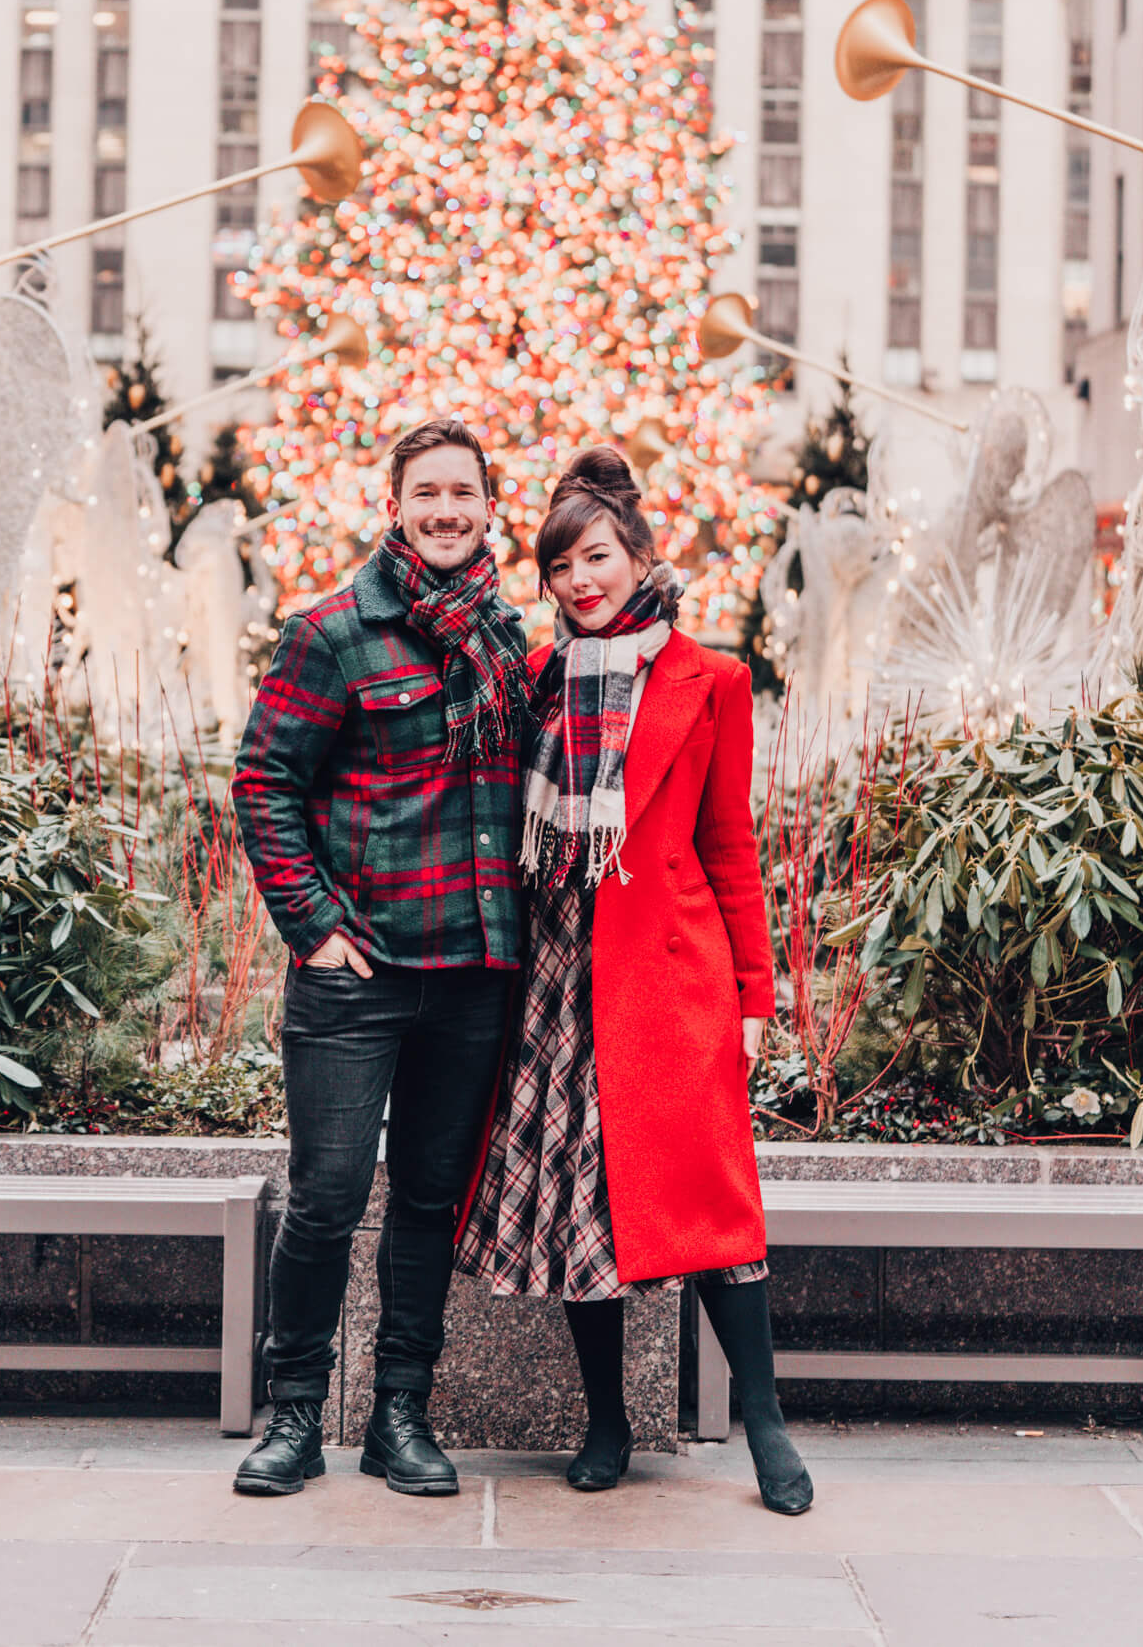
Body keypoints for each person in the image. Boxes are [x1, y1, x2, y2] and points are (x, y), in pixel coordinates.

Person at [457, 445, 813, 1515]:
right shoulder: (533, 679)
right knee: (578, 1211)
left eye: (596, 556)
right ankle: (605, 1418)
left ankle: (763, 1421)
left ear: (638, 554)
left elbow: (729, 849)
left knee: (709, 1204)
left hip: (665, 978)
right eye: (559, 564)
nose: (579, 581)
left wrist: (753, 997)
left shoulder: (711, 681)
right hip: (556, 981)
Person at [230, 418, 530, 1499]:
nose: (445, 510)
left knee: (427, 1200)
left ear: (488, 507)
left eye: (464, 493)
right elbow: (263, 781)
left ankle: (400, 1412)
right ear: (395, 505)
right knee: (324, 1198)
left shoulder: (507, 638)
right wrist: (312, 928)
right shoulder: (333, 633)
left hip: (473, 977)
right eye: (426, 493)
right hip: (356, 980)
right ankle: (295, 1415)